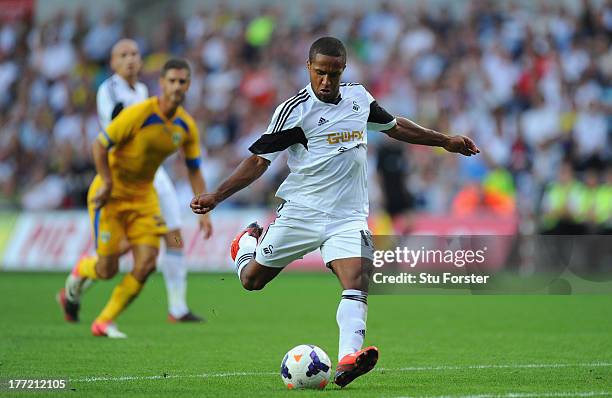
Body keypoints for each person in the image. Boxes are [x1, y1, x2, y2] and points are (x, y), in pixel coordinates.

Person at [190, 37, 479, 387]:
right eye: (320, 73)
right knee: (252, 281)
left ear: (343, 71)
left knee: (357, 279)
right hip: (301, 213)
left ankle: (347, 360)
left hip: (348, 216)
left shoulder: (359, 98)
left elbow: (395, 126)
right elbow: (257, 161)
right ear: (309, 68)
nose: (326, 81)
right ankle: (244, 247)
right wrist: (217, 196)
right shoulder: (294, 111)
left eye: (334, 74)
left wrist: (444, 141)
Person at [59, 58, 212, 338]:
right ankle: (81, 270)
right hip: (112, 195)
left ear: (188, 85)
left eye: (182, 82)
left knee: (147, 262)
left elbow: (194, 169)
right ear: (162, 83)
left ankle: (104, 321)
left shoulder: (186, 127)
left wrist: (203, 210)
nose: (177, 86)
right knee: (106, 269)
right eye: (172, 81)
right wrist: (105, 181)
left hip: (144, 198)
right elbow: (100, 144)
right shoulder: (140, 113)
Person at [95, 39, 206, 322]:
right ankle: (80, 276)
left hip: (153, 174)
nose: (131, 59)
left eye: (134, 53)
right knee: (112, 260)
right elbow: (115, 131)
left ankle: (178, 307)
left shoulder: (142, 91)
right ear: (113, 62)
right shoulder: (109, 91)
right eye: (123, 55)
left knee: (175, 234)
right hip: (122, 175)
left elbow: (192, 165)